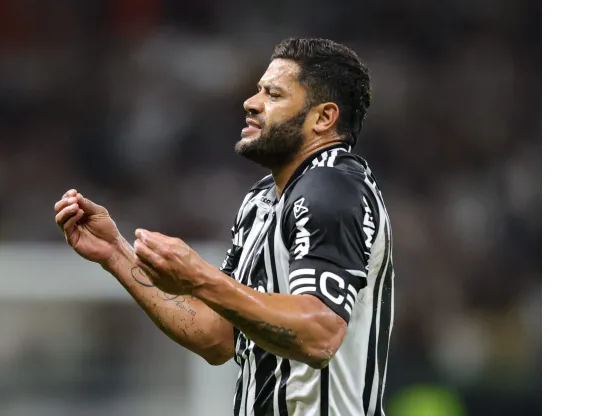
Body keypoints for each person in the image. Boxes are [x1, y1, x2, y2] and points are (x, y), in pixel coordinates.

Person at [54, 38, 394, 416]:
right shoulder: (263, 199)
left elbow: (320, 335)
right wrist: (116, 253)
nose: (251, 102)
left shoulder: (331, 188)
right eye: (258, 90)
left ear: (323, 118)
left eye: (274, 94)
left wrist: (199, 277)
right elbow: (218, 336)